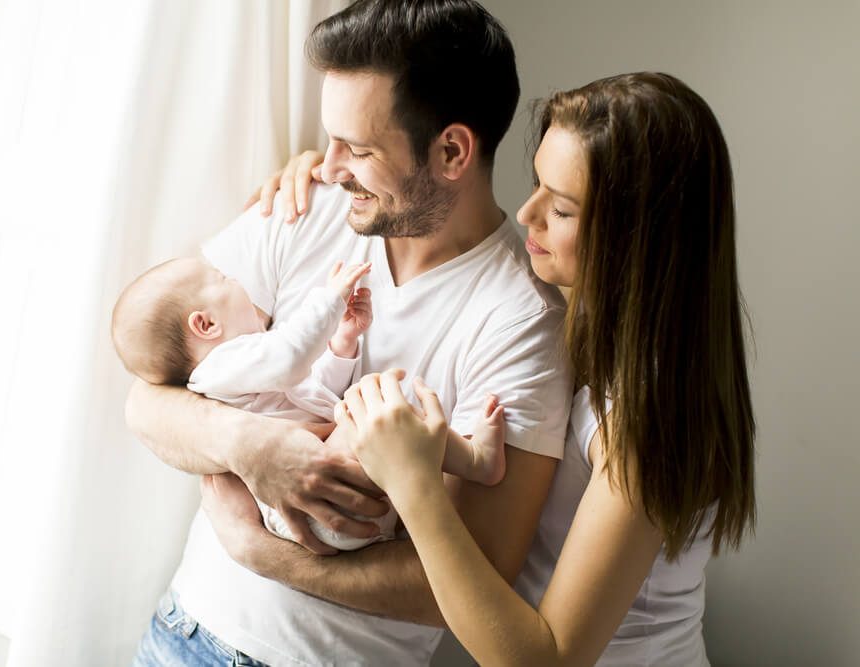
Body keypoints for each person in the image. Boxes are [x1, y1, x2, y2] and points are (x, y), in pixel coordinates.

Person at [218, 71, 757, 666]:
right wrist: (332, 173)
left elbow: (545, 660)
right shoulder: (580, 332)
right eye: (536, 185)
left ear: (641, 237)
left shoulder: (649, 414)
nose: (527, 214)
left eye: (562, 208)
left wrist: (415, 484)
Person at [125, 1, 573, 665]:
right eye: (331, 141)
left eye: (357, 149)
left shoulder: (523, 321)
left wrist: (265, 553)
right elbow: (148, 400)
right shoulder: (305, 209)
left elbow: (475, 575)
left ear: (451, 150)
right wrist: (252, 446)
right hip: (181, 634)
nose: (329, 167)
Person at [110, 256, 507, 551]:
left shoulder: (245, 375)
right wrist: (329, 301)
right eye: (222, 278)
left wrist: (342, 343)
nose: (236, 279)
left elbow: (313, 393)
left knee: (372, 412)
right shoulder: (220, 366)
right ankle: (474, 461)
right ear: (205, 324)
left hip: (334, 502)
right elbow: (290, 357)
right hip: (316, 512)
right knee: (376, 406)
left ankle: (419, 495)